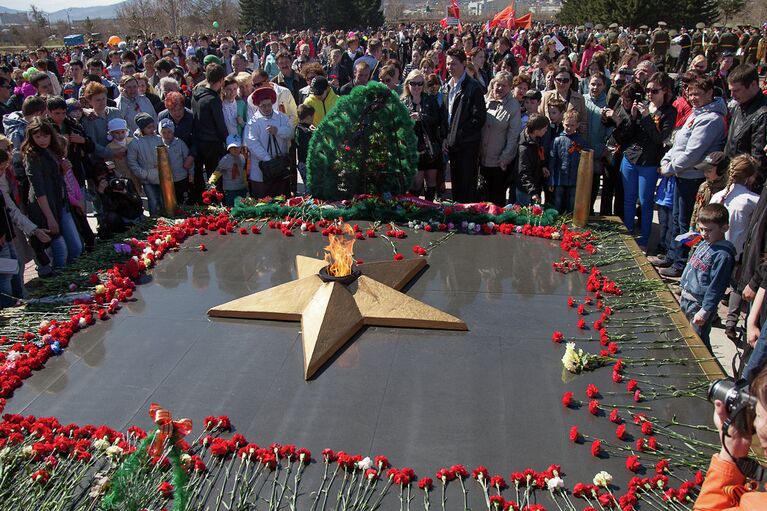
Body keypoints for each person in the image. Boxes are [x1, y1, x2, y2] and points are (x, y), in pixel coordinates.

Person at [658, 75, 727, 276]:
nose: (693, 97)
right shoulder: (696, 114)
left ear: (709, 93)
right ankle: (672, 255)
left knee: (686, 221)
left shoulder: (711, 119)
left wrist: (668, 168)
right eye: (691, 93)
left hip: (692, 177)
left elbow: (692, 153)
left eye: (698, 93)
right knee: (677, 219)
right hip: (680, 173)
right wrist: (666, 161)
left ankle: (680, 263)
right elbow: (679, 143)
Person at [610, 73, 677, 251]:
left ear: (664, 91)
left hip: (649, 162)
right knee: (628, 200)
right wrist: (632, 117)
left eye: (654, 91)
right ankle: (629, 233)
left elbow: (659, 137)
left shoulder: (669, 111)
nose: (649, 94)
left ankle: (643, 240)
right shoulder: (642, 105)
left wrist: (646, 117)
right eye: (647, 90)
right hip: (630, 157)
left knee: (646, 203)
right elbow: (628, 134)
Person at [710, 155, 761, 340]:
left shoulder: (718, 195)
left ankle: (712, 313)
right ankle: (731, 322)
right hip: (739, 254)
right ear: (749, 177)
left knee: (716, 284)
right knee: (737, 288)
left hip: (717, 250)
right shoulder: (753, 200)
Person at [22, 118, 82, 269]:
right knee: (61, 250)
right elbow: (38, 190)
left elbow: (55, 178)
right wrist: (50, 218)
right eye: (37, 137)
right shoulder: (33, 156)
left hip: (60, 202)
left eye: (45, 136)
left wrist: (64, 170)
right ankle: (61, 281)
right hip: (45, 208)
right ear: (31, 137)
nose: (42, 140)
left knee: (75, 246)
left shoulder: (52, 150)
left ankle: (70, 277)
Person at [679, 203, 735, 350]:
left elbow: (717, 286)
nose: (704, 234)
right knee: (685, 335)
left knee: (699, 342)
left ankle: (709, 371)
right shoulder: (706, 242)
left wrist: (705, 311)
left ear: (724, 228)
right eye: (701, 229)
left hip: (699, 304)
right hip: (687, 297)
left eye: (709, 230)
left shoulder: (723, 255)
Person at [443, 48, 486, 203]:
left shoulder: (473, 88)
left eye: (453, 64)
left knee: (467, 189)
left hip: (467, 146)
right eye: (448, 64)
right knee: (457, 189)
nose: (449, 67)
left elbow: (478, 119)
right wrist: (446, 138)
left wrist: (457, 135)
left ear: (463, 64)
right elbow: (447, 116)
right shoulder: (447, 87)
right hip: (453, 145)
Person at [402, 70, 447, 202]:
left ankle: (429, 208)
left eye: (420, 83)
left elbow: (438, 119)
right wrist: (409, 120)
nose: (416, 87)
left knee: (431, 181)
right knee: (416, 182)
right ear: (408, 84)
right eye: (413, 83)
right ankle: (414, 209)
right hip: (413, 148)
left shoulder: (431, 100)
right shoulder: (403, 102)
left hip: (431, 147)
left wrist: (422, 117)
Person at [479, 71, 521, 206]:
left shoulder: (513, 105)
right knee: (483, 196)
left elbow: (513, 135)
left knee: (497, 198)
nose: (500, 88)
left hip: (499, 161)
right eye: (498, 84)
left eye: (504, 86)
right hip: (482, 158)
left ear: (509, 88)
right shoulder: (485, 99)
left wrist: (505, 157)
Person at [245, 86, 293, 199]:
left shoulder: (282, 117)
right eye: (263, 105)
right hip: (262, 170)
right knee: (263, 201)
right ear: (258, 106)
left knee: (281, 199)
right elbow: (252, 143)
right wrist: (268, 159)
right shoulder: (253, 122)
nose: (267, 108)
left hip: (280, 166)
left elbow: (290, 133)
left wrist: (278, 130)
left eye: (269, 104)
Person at [191, 63, 228, 204]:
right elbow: (220, 124)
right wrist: (228, 141)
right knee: (215, 176)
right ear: (221, 80)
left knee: (201, 176)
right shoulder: (213, 99)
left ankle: (204, 202)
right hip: (213, 143)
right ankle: (216, 202)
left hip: (199, 141)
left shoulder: (196, 95)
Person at [724, 65, 767, 180]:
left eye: (736, 90)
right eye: (730, 91)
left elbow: (758, 160)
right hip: (731, 174)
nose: (732, 95)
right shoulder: (739, 106)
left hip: (745, 182)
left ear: (753, 84)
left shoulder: (762, 114)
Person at [548, 110, 588, 214]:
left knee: (571, 204)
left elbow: (584, 161)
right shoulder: (557, 140)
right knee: (557, 203)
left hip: (574, 179)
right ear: (562, 123)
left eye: (572, 125)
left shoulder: (581, 141)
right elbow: (552, 161)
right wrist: (551, 180)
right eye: (567, 125)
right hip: (559, 179)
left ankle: (569, 225)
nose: (569, 128)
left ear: (578, 125)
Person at [94, 162, 143, 238]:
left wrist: (125, 192)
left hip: (134, 217)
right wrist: (101, 193)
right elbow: (109, 209)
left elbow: (139, 202)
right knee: (110, 217)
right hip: (120, 220)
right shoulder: (104, 188)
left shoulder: (126, 182)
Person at [127, 113, 163, 215]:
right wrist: (143, 174)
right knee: (153, 200)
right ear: (142, 128)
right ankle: (154, 220)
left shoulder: (158, 138)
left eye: (153, 126)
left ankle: (165, 220)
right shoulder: (135, 143)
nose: (152, 129)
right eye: (149, 127)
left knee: (162, 199)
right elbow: (132, 161)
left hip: (160, 175)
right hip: (147, 178)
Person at [539, 67, 588, 138]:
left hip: (571, 139)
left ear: (571, 81)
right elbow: (540, 116)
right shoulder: (546, 96)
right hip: (549, 137)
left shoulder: (579, 98)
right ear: (554, 80)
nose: (562, 83)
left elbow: (583, 122)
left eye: (565, 80)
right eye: (558, 80)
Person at [515, 113, 550, 206]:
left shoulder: (535, 139)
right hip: (525, 190)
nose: (546, 130)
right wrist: (533, 192)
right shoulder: (524, 148)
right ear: (536, 130)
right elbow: (523, 172)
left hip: (534, 184)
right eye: (544, 128)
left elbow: (539, 156)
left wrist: (542, 166)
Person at [158, 118, 192, 205]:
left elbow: (188, 160)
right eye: (164, 132)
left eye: (169, 132)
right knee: (169, 200)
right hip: (166, 179)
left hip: (180, 177)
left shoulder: (180, 143)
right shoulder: (158, 144)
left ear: (173, 132)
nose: (166, 135)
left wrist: (191, 173)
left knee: (181, 197)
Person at [208, 134, 247, 207]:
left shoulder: (242, 158)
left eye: (237, 147)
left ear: (240, 147)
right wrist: (211, 180)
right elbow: (218, 171)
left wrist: (246, 183)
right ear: (228, 149)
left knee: (242, 206)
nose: (235, 150)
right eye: (232, 148)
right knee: (231, 207)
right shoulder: (225, 159)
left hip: (241, 187)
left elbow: (243, 171)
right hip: (230, 189)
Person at [295, 104, 314, 192]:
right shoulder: (307, 132)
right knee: (311, 188)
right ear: (309, 117)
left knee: (307, 186)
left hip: (301, 162)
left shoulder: (297, 128)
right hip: (308, 163)